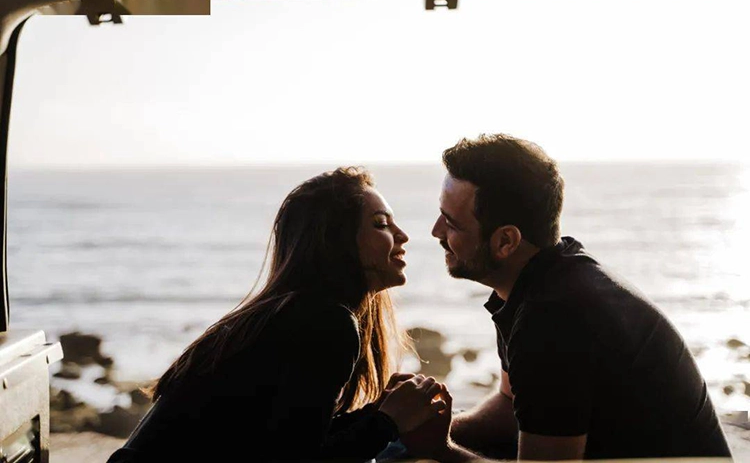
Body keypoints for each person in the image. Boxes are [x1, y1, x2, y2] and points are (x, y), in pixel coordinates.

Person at [401, 134, 733, 462]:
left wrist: (439, 449)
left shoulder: (552, 317)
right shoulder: (547, 276)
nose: (435, 231)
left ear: (505, 242)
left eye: (452, 224)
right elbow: (508, 405)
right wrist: (424, 430)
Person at [107, 166, 447, 463]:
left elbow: (285, 439)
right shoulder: (325, 322)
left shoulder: (293, 314)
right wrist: (386, 422)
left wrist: (381, 413)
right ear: (336, 239)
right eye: (380, 224)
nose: (402, 236)